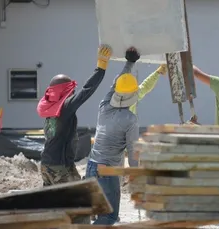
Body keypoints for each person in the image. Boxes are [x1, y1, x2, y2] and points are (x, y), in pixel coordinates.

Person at [36, 44, 112, 224]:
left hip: (48, 165)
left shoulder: (49, 108)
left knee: (55, 205)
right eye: (70, 91)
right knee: (79, 208)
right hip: (59, 167)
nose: (72, 94)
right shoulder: (65, 107)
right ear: (65, 91)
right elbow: (86, 91)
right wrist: (100, 68)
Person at [85, 47, 141, 225]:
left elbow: (117, 83)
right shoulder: (130, 120)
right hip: (107, 172)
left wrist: (129, 62)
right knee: (108, 217)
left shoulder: (104, 105)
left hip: (91, 167)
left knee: (103, 215)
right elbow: (133, 151)